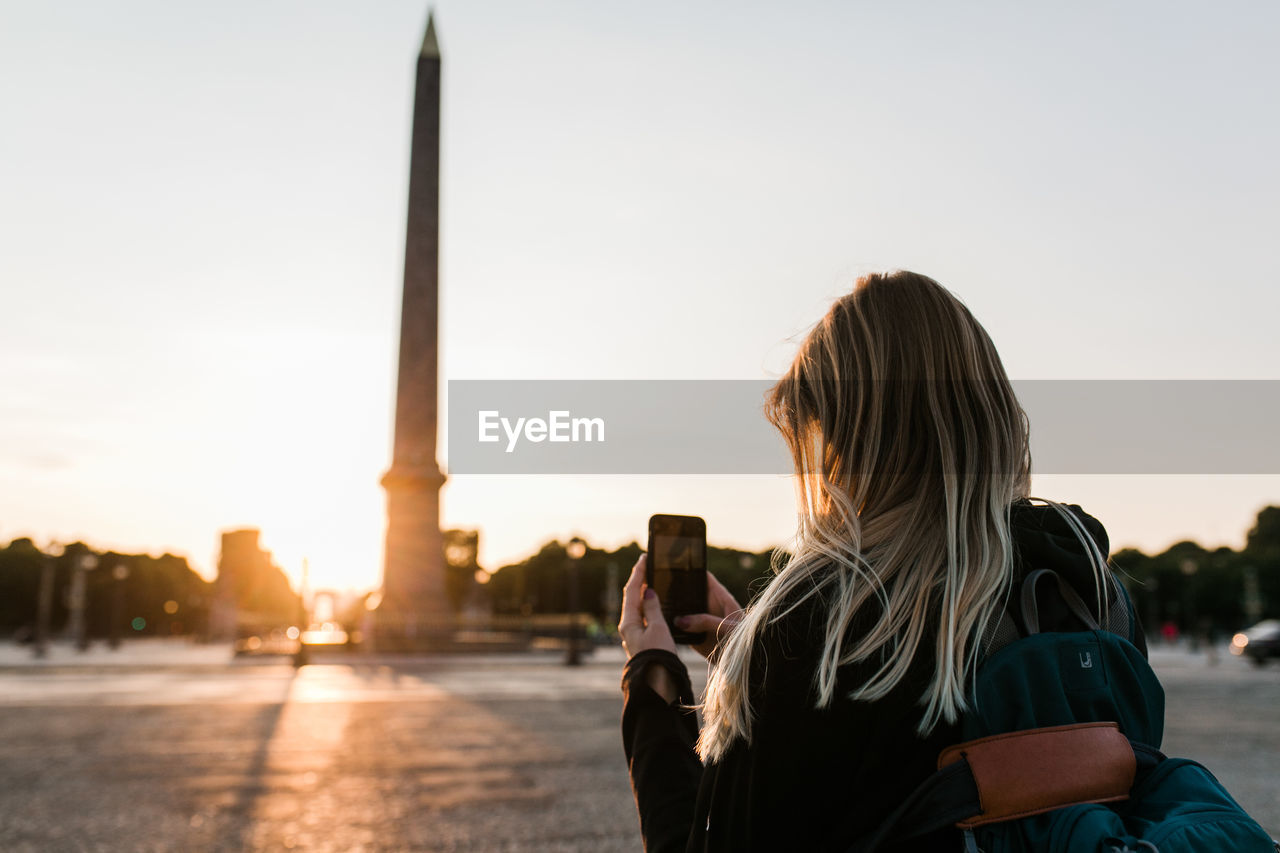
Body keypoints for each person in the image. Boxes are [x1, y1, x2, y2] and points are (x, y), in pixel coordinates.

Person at [617, 271, 1146, 852]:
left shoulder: (819, 622)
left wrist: (655, 680)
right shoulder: (1088, 594)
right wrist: (753, 658)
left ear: (850, 442)